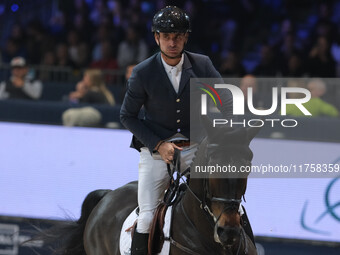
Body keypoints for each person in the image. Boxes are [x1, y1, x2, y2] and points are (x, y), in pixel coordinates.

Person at [120, 6, 253, 255]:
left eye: (178, 36)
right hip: (157, 152)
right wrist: (159, 144)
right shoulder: (143, 72)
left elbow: (226, 102)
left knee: (235, 207)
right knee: (148, 216)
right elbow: (127, 116)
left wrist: (230, 133)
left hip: (197, 149)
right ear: (157, 37)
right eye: (167, 36)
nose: (172, 42)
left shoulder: (201, 65)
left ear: (186, 38)